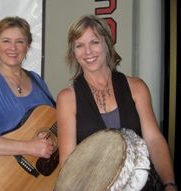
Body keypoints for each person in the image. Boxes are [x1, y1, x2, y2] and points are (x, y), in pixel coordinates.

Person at [56, 15, 177, 191]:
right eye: (79, 45)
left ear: (107, 43)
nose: (87, 51)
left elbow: (154, 140)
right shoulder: (67, 98)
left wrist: (169, 183)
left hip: (143, 184)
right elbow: (68, 161)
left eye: (94, 42)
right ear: (73, 52)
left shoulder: (136, 87)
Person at [0, 16, 55, 166]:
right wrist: (30, 147)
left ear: (27, 46)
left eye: (20, 41)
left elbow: (54, 121)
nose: (13, 48)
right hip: (11, 178)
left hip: (44, 175)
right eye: (6, 41)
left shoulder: (36, 80)